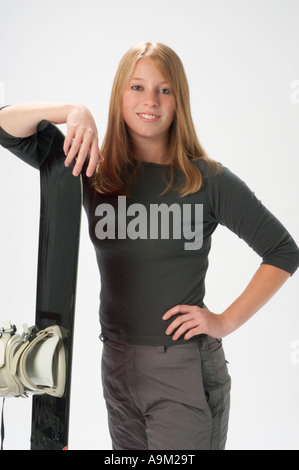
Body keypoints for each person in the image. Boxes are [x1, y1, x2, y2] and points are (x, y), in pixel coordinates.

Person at [0, 42, 298, 450]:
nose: (151, 101)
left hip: (182, 367)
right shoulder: (92, 168)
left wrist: (225, 321)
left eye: (164, 90)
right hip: (116, 362)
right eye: (137, 87)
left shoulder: (205, 180)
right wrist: (73, 111)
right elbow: (6, 126)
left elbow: (282, 251)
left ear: (179, 101)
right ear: (119, 95)